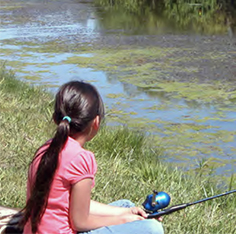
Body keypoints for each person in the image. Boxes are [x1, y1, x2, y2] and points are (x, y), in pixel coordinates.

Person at [20, 81, 164, 234]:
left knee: (126, 206)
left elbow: (74, 204)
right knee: (152, 228)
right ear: (96, 122)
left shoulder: (46, 149)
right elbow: (80, 222)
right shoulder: (81, 159)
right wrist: (123, 220)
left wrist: (126, 213)